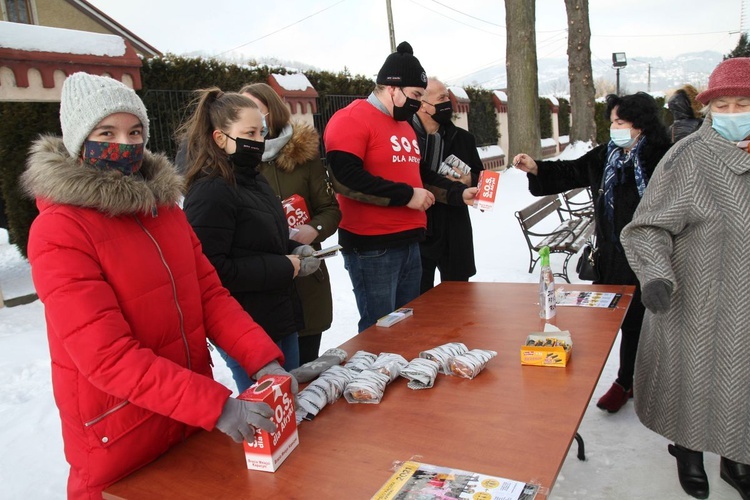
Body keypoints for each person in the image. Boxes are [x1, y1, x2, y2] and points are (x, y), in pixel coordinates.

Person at [20, 72, 295, 498]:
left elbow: (210, 296)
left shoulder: (164, 212)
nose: (125, 144)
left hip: (188, 424)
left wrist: (264, 361)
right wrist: (216, 404)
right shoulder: (59, 230)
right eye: (106, 132)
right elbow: (108, 357)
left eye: (134, 131)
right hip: (122, 439)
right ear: (78, 140)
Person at [621, 57, 750, 500]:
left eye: (743, 104)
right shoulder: (689, 157)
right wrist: (656, 276)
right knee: (693, 381)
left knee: (742, 385)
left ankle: (736, 459)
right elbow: (646, 227)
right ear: (710, 109)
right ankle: (689, 453)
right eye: (724, 105)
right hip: (696, 297)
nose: (734, 113)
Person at [513, 92, 671, 413]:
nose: (614, 128)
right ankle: (626, 379)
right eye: (612, 122)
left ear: (639, 126)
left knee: (643, 322)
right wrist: (536, 168)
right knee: (616, 322)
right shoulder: (606, 156)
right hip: (611, 255)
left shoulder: (662, 158)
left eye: (620, 122)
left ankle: (631, 381)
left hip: (648, 256)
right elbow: (571, 171)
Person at [323, 41, 477, 332]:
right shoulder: (351, 119)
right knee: (380, 331)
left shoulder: (403, 125)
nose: (418, 103)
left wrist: (458, 193)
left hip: (410, 242)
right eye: (415, 95)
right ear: (392, 88)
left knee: (408, 329)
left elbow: (420, 174)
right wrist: (406, 196)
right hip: (373, 247)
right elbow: (345, 178)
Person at [180, 88, 320, 391]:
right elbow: (212, 271)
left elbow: (266, 240)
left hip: (279, 316)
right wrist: (285, 266)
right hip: (245, 328)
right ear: (220, 138)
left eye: (261, 132)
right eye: (249, 133)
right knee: (270, 416)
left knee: (292, 409)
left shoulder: (253, 179)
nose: (258, 141)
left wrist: (297, 249)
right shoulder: (209, 192)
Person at [240, 82, 341, 364]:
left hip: (307, 280)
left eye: (257, 111)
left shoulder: (304, 158)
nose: (253, 120)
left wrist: (314, 229)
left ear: (272, 112)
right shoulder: (238, 163)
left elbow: (330, 209)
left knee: (307, 368)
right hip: (263, 284)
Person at [411, 77, 484, 293]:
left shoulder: (463, 139)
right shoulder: (405, 138)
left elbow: (483, 179)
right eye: (441, 97)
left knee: (458, 300)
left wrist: (470, 180)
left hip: (454, 228)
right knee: (418, 300)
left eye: (448, 97)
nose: (448, 102)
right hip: (419, 230)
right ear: (423, 104)